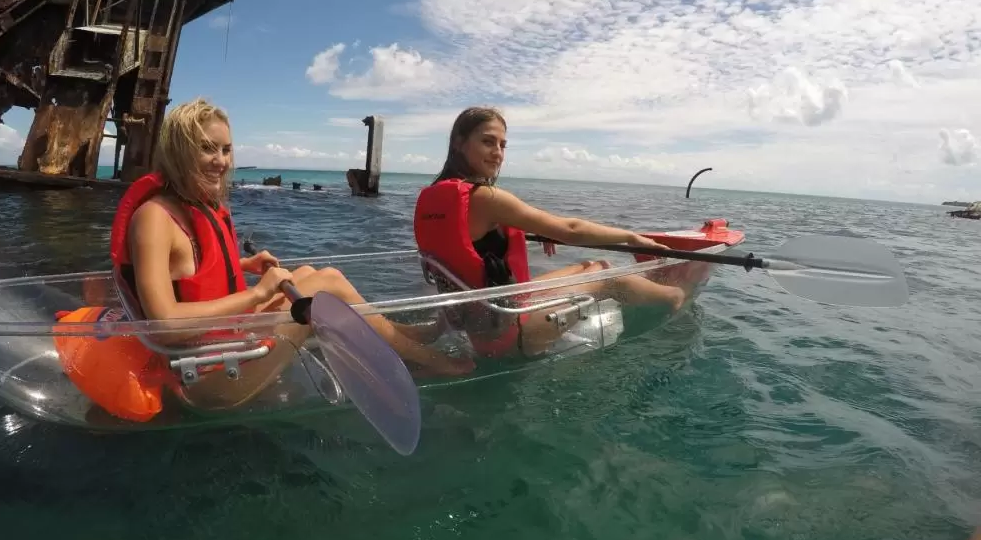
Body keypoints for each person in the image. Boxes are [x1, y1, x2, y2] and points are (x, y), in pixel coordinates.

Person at [112, 97, 472, 410]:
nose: (220, 161)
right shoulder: (154, 219)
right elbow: (163, 324)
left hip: (226, 344)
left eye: (225, 149)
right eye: (207, 148)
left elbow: (188, 276)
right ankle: (421, 357)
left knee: (315, 273)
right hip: (207, 378)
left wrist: (243, 265)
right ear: (179, 150)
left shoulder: (192, 206)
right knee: (322, 289)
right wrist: (258, 292)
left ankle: (401, 337)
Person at [413, 106, 704, 358]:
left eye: (503, 145)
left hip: (477, 322)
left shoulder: (434, 197)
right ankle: (676, 297)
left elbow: (473, 243)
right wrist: (631, 237)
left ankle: (656, 292)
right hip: (509, 333)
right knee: (606, 274)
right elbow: (572, 230)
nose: (497, 153)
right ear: (459, 143)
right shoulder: (486, 198)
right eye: (488, 142)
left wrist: (528, 232)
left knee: (588, 266)